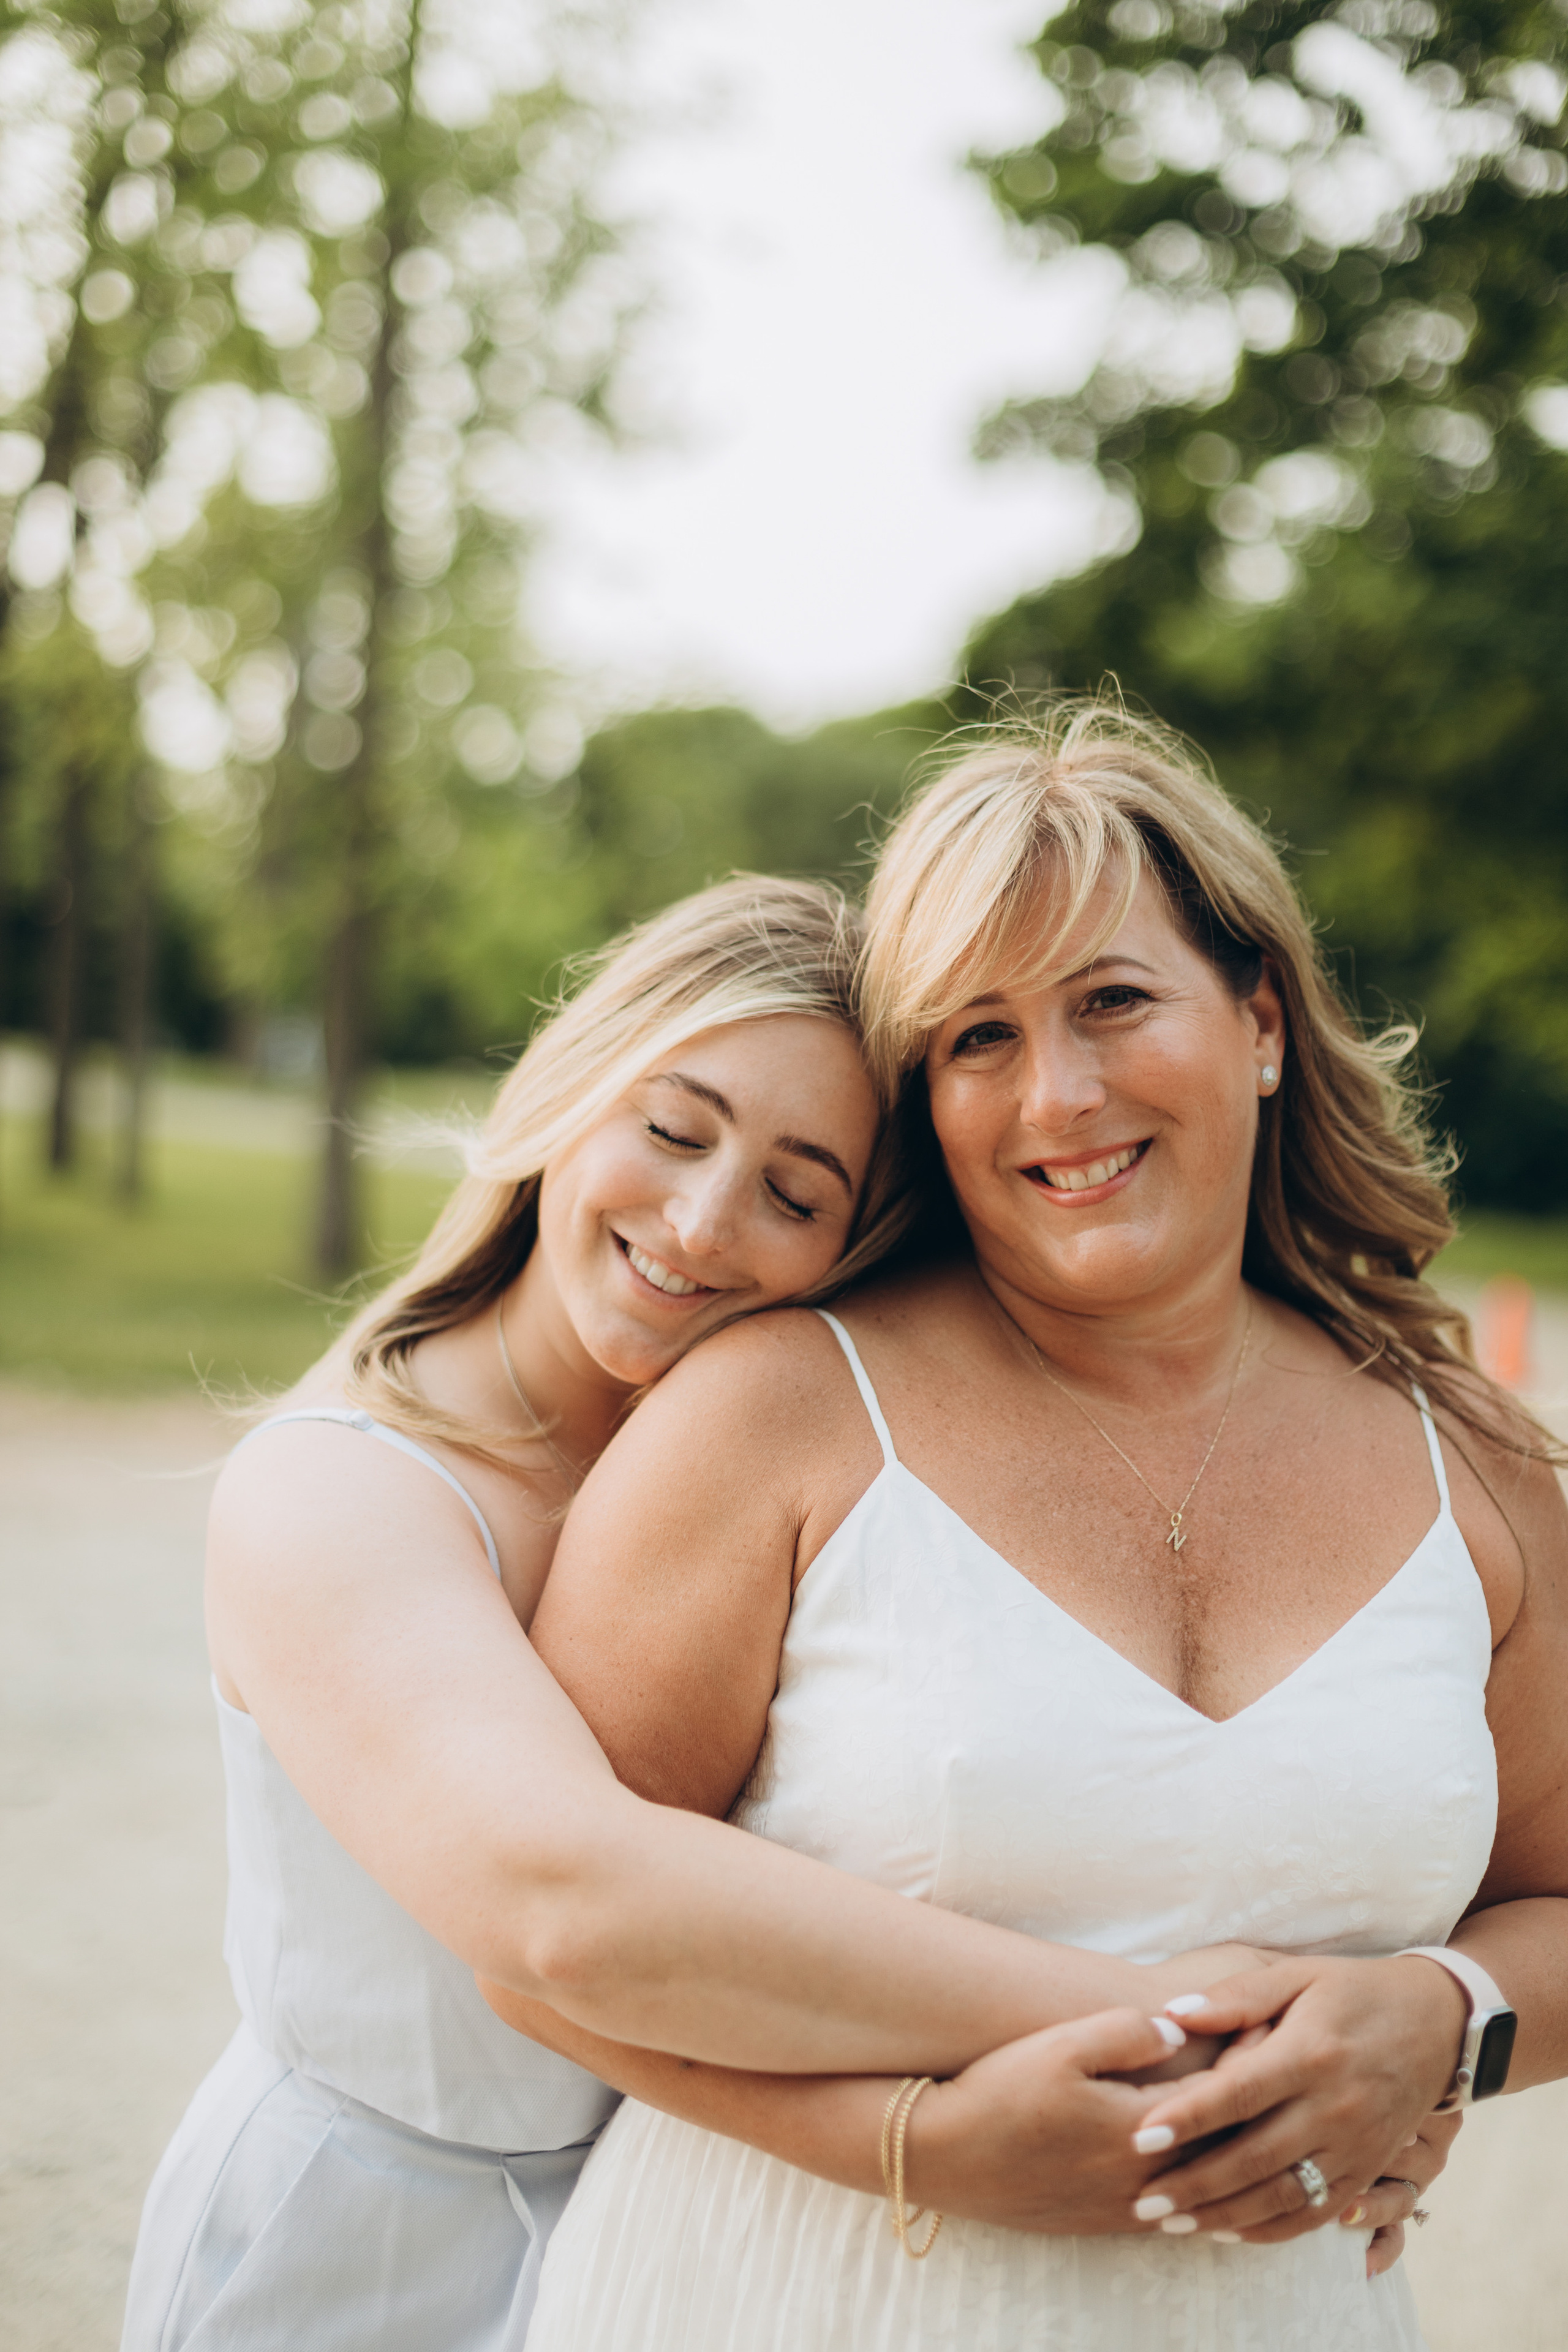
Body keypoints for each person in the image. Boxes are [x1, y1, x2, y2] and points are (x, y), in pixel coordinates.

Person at [123, 873, 1314, 2352]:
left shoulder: (792, 1484)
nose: (699, 1222)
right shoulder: (337, 1493)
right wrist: (1189, 2043)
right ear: (571, 1094)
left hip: (684, 2251)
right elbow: (565, 1898)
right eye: (671, 1131)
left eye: (794, 1193)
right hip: (360, 2259)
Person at [515, 704, 1568, 2352]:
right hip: (788, 2300)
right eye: (978, 1039)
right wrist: (907, 2144)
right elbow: (549, 1945)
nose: (1059, 1098)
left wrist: (1450, 2017)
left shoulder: (1477, 1467)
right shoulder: (774, 1418)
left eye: (1114, 1002)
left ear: (1264, 1019)